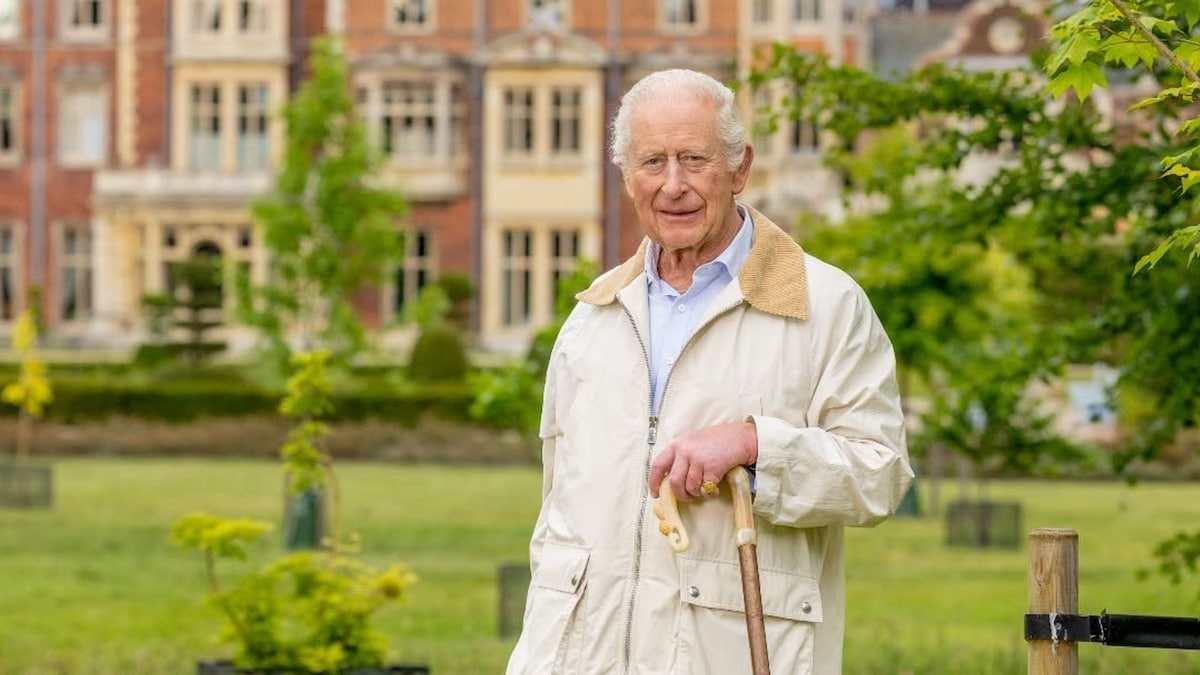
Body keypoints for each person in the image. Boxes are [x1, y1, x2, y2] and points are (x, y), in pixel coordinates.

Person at [506, 68, 913, 675]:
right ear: (626, 176)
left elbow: (880, 475)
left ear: (739, 168)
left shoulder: (825, 304)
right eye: (652, 162)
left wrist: (756, 445)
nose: (673, 185)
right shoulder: (592, 319)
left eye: (695, 159)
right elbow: (555, 523)